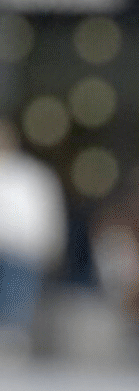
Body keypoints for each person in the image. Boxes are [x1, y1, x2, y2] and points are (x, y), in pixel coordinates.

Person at [0, 122, 63, 335]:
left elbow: (46, 211)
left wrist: (51, 244)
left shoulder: (31, 174)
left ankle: (12, 338)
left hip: (21, 251)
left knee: (17, 304)